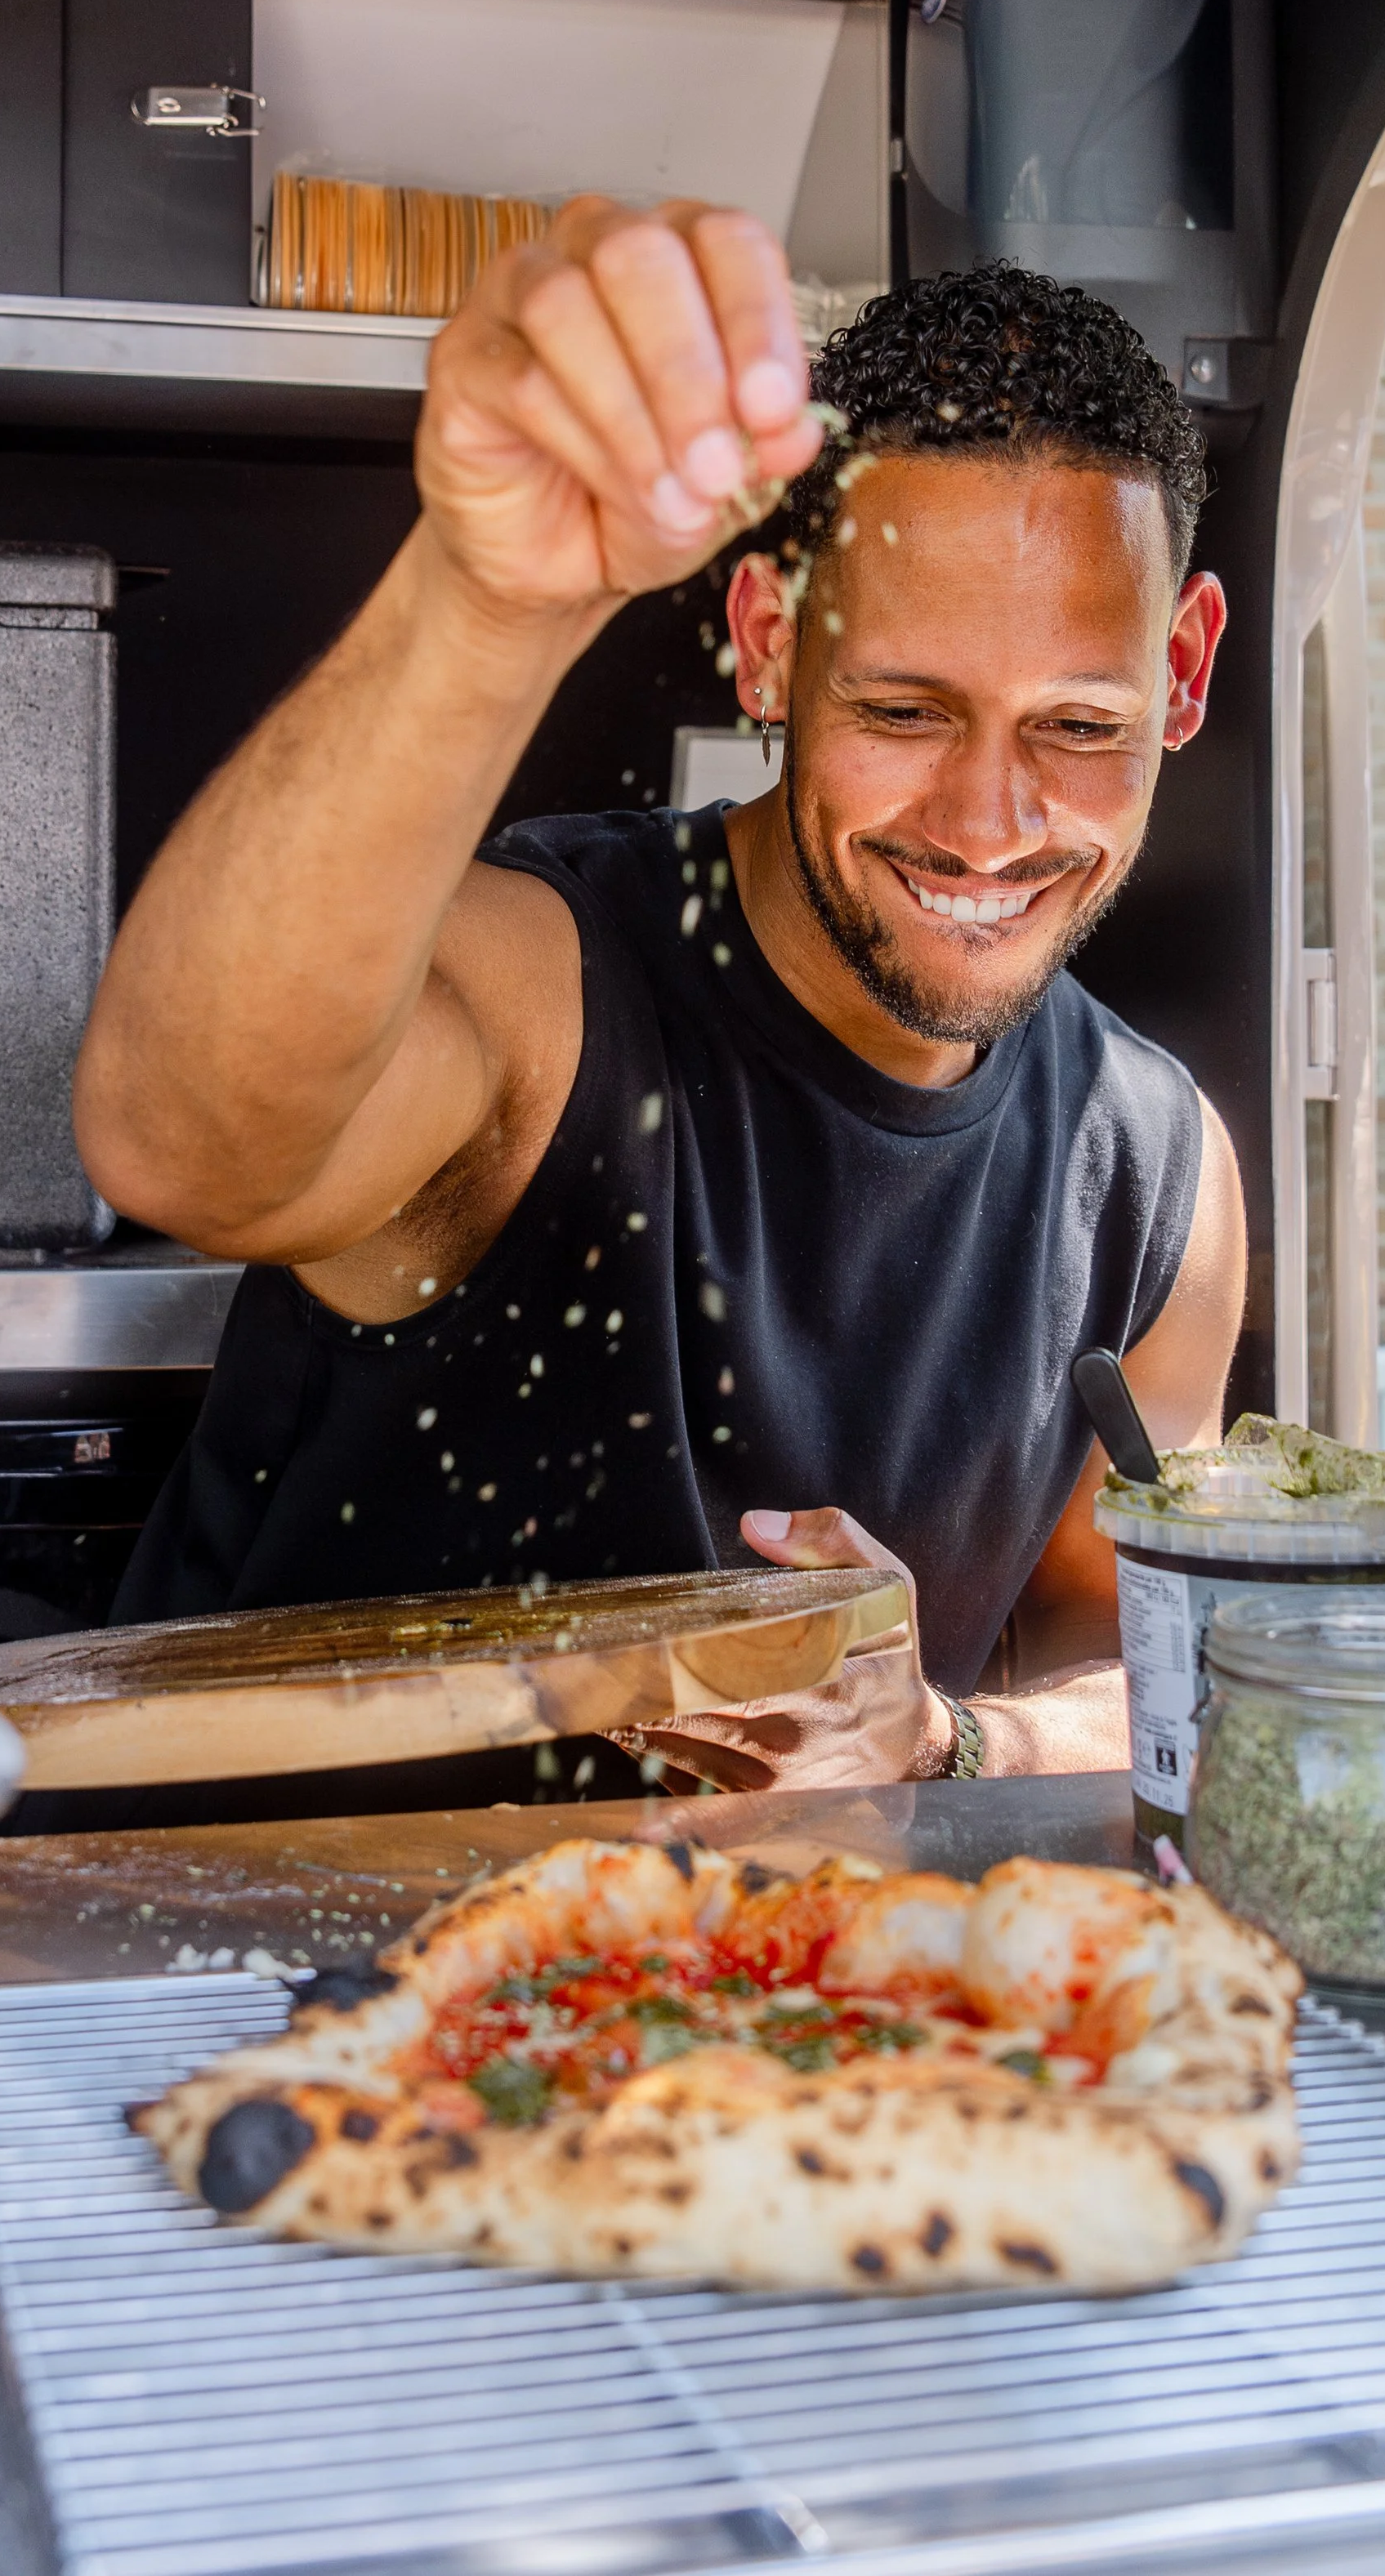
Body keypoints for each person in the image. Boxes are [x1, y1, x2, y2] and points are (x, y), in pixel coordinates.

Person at [74, 199, 1244, 1789]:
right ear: (766, 648)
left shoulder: (1157, 1171)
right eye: (900, 709)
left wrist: (951, 1737)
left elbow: (1128, 1667)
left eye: (1078, 727)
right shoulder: (546, 984)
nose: (987, 823)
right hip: (251, 1980)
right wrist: (491, 596)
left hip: (753, 2013)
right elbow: (178, 1142)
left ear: (1179, 674)